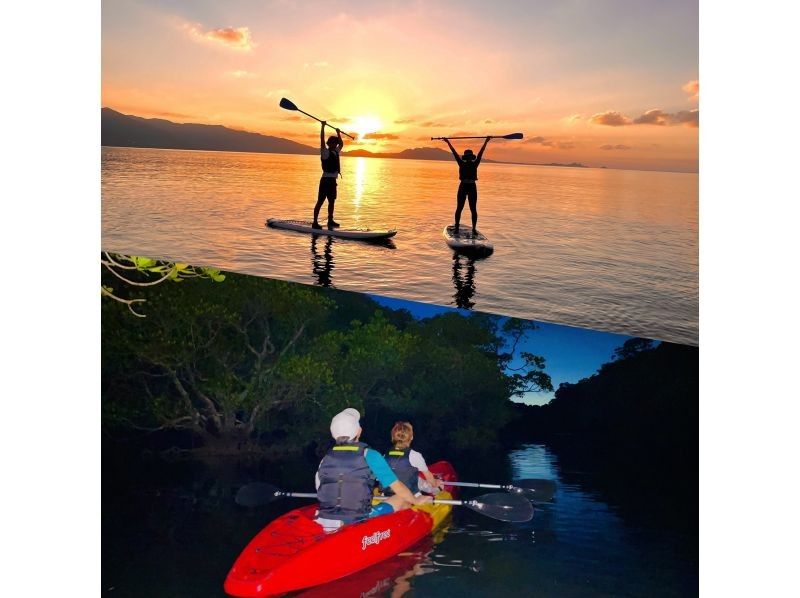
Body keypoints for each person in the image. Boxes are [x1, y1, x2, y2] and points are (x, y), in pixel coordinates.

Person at [315, 408, 432, 530]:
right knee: (403, 497)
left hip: (326, 517)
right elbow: (397, 487)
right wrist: (416, 500)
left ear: (333, 434)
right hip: (359, 519)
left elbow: (320, 488)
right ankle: (398, 530)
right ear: (359, 431)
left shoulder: (325, 459)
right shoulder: (370, 455)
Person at [443, 136, 492, 234]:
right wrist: (448, 142)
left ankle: (474, 229)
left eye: (470, 156)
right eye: (468, 156)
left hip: (472, 187)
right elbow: (454, 153)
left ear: (471, 157)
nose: (469, 158)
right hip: (463, 187)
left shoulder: (475, 163)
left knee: (473, 208)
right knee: (459, 207)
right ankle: (456, 227)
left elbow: (481, 153)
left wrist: (486, 141)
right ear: (466, 157)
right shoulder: (461, 163)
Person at [383, 421, 445, 497]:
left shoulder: (384, 455)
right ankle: (435, 500)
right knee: (439, 485)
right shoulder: (415, 455)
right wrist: (436, 483)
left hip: (387, 494)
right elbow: (429, 477)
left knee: (417, 479)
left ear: (393, 437)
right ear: (411, 437)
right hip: (410, 496)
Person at [313, 121, 343, 230]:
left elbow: (342, 144)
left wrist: (338, 133)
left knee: (332, 201)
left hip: (332, 182)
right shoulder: (325, 152)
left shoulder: (336, 152)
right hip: (325, 181)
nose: (334, 144)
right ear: (328, 144)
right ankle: (315, 222)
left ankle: (330, 220)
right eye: (332, 143)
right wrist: (322, 127)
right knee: (320, 201)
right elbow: (321, 141)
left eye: (335, 143)